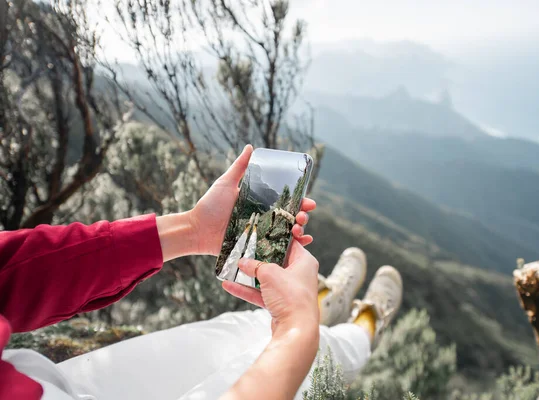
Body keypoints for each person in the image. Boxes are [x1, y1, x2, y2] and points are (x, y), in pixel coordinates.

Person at [0, 145, 403, 400]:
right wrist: (299, 327)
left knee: (244, 328)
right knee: (317, 352)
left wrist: (193, 229)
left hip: (43, 381)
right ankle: (365, 327)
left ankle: (320, 304)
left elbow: (11, 270)